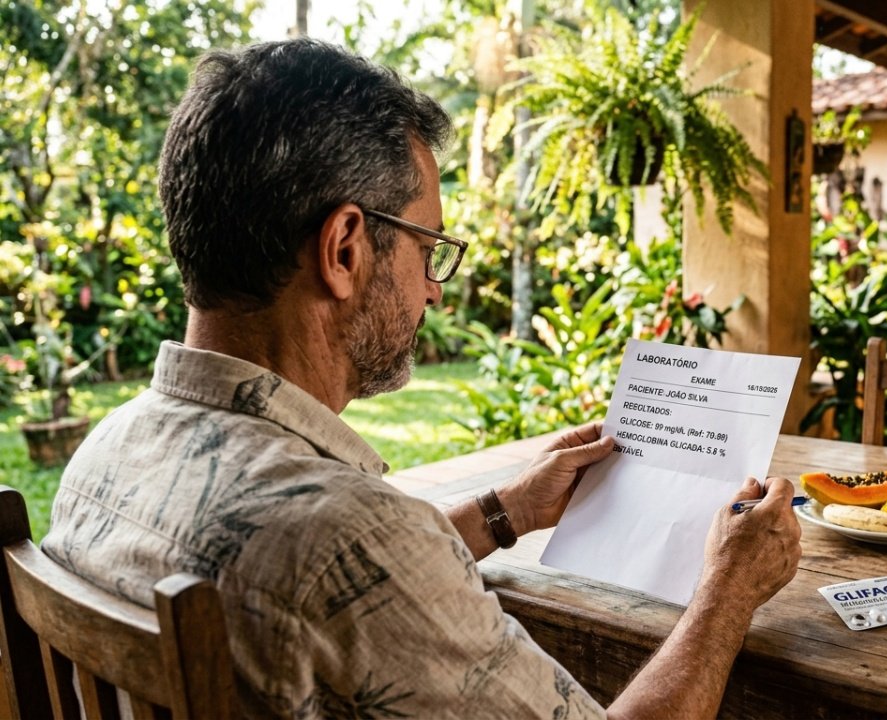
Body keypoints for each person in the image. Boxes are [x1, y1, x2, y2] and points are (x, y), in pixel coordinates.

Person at [43, 39, 802, 718]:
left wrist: (504, 510)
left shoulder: (105, 456)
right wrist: (727, 593)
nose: (434, 287)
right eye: (427, 245)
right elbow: (346, 566)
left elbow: (329, 593)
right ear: (344, 249)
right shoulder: (346, 535)